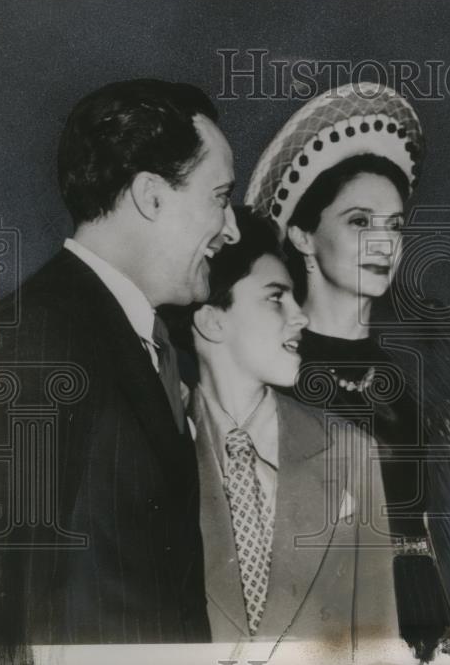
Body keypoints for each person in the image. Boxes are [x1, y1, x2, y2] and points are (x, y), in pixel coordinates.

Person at [245, 82, 450, 661]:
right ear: (302, 234)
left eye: (393, 226)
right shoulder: (263, 369)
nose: (384, 243)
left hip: (444, 622)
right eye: (360, 221)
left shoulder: (441, 364)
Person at [0, 79, 240, 647]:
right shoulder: (35, 339)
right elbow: (10, 602)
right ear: (150, 195)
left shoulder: (134, 339)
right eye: (220, 197)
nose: (232, 228)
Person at [169, 206, 398, 649]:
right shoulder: (154, 452)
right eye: (276, 297)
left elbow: (377, 644)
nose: (301, 317)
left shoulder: (351, 452)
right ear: (212, 320)